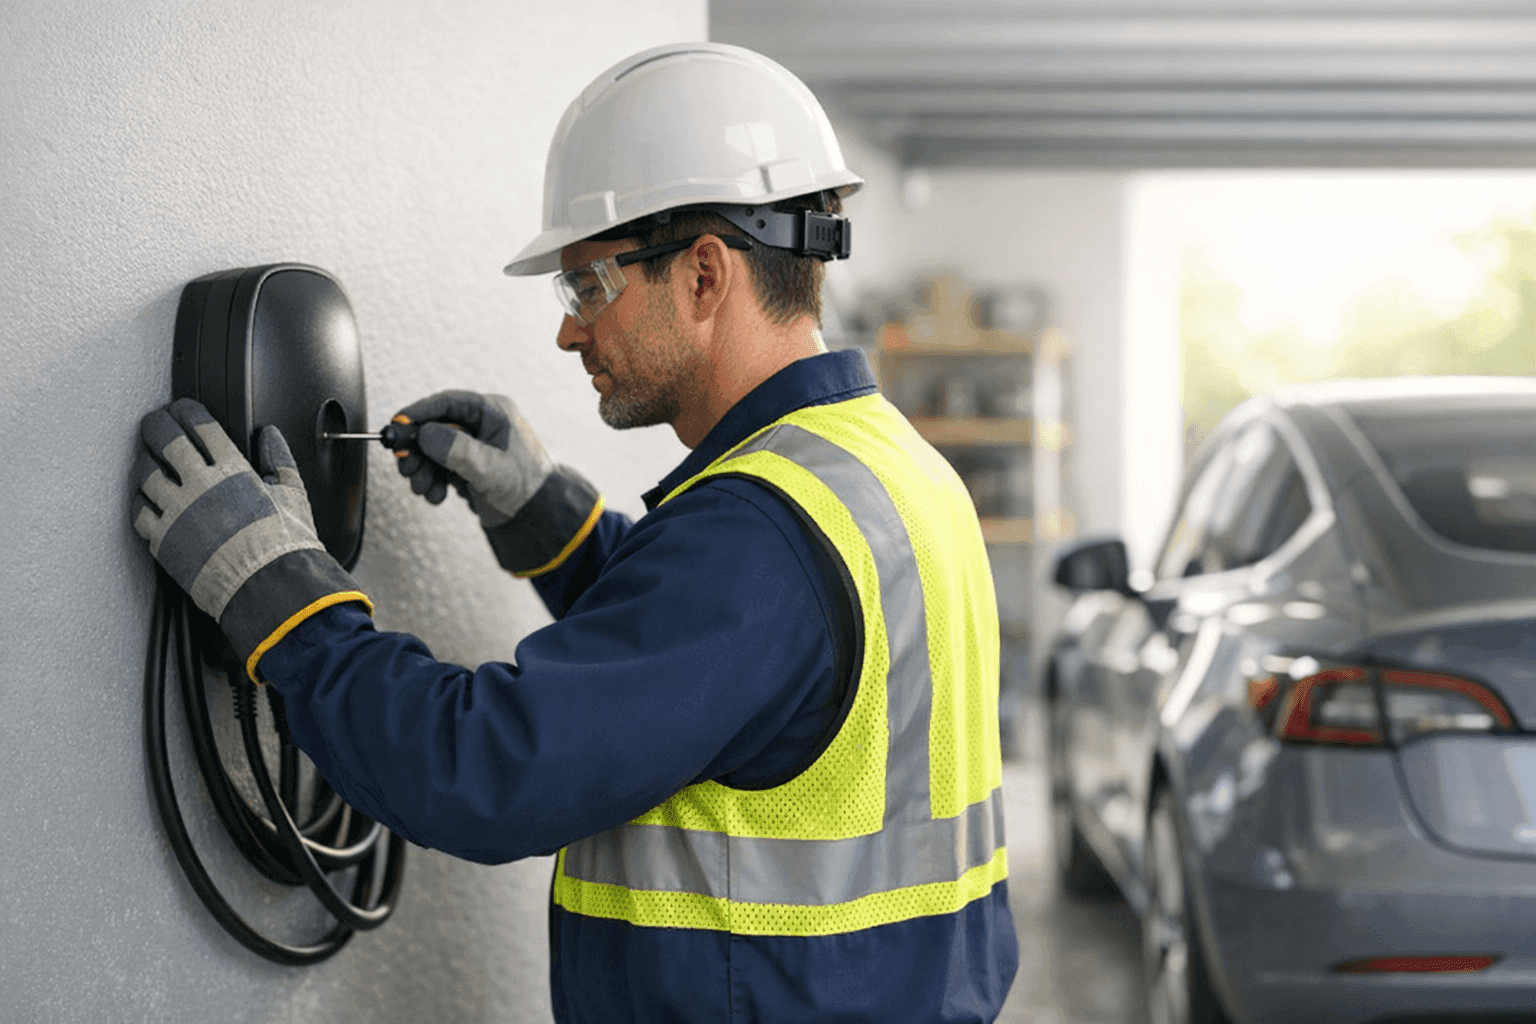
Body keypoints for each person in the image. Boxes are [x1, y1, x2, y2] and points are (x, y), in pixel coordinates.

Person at [131, 41, 1018, 1023]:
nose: (568, 331)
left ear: (705, 275)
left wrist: (280, 600)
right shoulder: (887, 467)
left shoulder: (756, 535)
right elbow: (738, 678)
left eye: (588, 286)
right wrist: (551, 517)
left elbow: (480, 770)